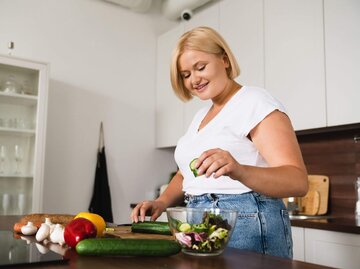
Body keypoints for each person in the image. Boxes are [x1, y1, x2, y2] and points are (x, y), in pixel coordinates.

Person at [131, 26, 308, 259]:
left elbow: (297, 180)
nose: (194, 79)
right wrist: (161, 202)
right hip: (198, 221)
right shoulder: (200, 117)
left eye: (200, 67)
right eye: (185, 74)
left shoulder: (255, 101)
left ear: (224, 59)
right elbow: (187, 174)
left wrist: (239, 170)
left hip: (247, 223)